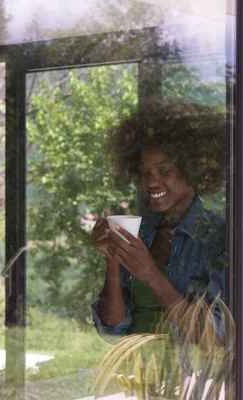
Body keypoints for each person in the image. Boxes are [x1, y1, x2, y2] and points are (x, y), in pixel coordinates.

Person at [90, 100, 228, 345]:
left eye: (165, 172)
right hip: (134, 378)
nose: (152, 183)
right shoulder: (141, 232)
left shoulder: (219, 237)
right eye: (145, 173)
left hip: (190, 381)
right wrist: (113, 256)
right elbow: (112, 330)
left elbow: (213, 339)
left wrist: (150, 274)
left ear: (194, 170)